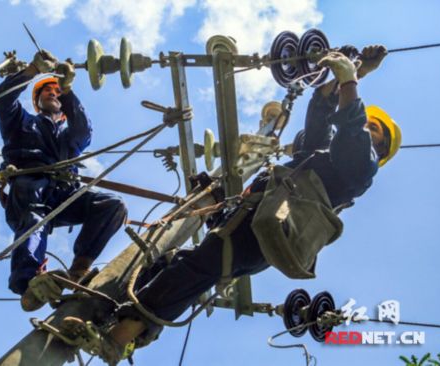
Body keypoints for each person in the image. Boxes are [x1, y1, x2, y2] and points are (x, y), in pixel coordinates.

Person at [60, 45, 402, 365]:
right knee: (175, 262)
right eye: (369, 123)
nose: (369, 129)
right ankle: (106, 310)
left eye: (377, 131)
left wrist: (350, 80)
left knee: (197, 269)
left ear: (381, 151)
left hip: (273, 228)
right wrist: (352, 69)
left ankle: (122, 335)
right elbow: (321, 117)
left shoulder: (361, 167)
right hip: (256, 220)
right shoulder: (318, 156)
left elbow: (351, 133)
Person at [0, 50, 127, 311]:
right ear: (37, 101)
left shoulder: (70, 137)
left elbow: (84, 131)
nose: (52, 94)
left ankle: (78, 270)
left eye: (56, 93)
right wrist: (32, 71)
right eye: (47, 92)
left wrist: (68, 88)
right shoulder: (22, 123)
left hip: (65, 193)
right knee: (33, 220)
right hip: (30, 186)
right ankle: (29, 283)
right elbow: (1, 99)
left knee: (112, 205)